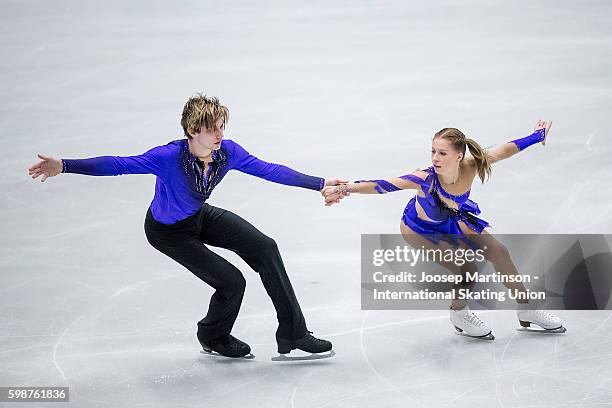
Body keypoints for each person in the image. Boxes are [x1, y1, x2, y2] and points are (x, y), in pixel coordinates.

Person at [28, 94, 344, 357]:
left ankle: (293, 332)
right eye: (212, 129)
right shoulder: (167, 157)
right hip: (168, 234)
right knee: (232, 282)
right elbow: (117, 164)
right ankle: (212, 335)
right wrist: (65, 166)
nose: (220, 135)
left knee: (265, 247)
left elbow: (270, 170)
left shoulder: (228, 153)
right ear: (192, 130)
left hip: (198, 216)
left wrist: (319, 183)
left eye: (222, 127)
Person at [322, 121, 566, 340]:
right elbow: (382, 186)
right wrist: (345, 188)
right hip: (419, 229)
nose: (435, 158)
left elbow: (505, 150)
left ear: (459, 155)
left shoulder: (472, 165)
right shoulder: (425, 178)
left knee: (499, 252)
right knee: (466, 268)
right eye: (433, 152)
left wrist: (537, 136)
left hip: (450, 218)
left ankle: (527, 308)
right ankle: (459, 313)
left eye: (442, 153)